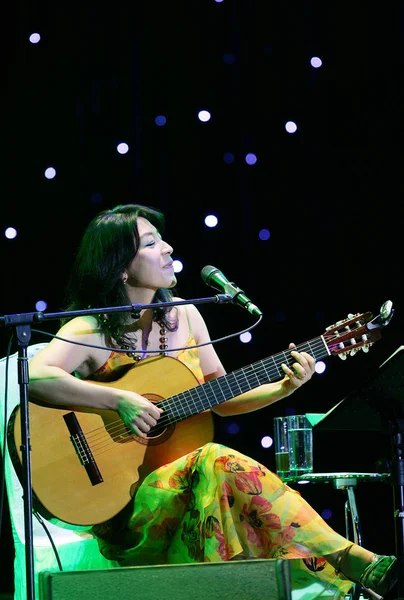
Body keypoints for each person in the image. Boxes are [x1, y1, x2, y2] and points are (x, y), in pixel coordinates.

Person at [28, 203, 397, 599]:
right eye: (152, 243)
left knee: (217, 473)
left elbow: (221, 396)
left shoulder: (184, 317)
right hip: (125, 507)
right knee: (216, 460)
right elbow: (35, 376)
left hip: (195, 485)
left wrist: (284, 388)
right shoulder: (90, 329)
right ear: (120, 266)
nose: (169, 248)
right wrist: (119, 399)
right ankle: (355, 561)